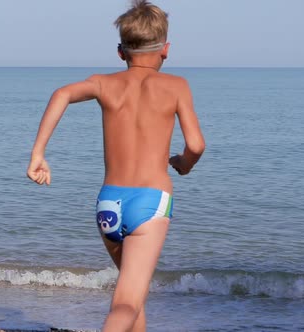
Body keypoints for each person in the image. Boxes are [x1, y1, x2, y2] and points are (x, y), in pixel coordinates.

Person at [26, 1, 205, 331]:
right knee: (125, 303)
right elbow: (195, 145)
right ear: (166, 50)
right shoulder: (176, 86)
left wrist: (38, 153)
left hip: (108, 204)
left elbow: (61, 94)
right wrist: (183, 164)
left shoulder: (103, 84)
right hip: (150, 204)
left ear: (120, 52)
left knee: (132, 295)